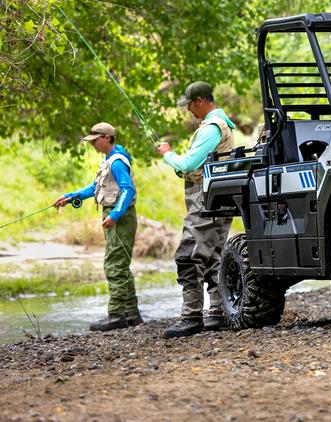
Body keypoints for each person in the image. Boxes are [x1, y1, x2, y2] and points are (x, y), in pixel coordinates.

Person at [157, 81, 235, 338]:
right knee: (214, 256)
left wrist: (168, 154)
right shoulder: (221, 124)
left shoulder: (211, 128)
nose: (188, 109)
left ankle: (191, 317)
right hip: (218, 198)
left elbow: (190, 162)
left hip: (205, 200)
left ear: (200, 101)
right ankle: (217, 313)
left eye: (189, 104)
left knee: (188, 256)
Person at [54, 122, 141, 331]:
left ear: (107, 138)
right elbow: (95, 188)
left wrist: (115, 214)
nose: (93, 144)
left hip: (120, 218)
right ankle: (131, 315)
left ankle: (116, 316)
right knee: (120, 264)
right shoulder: (109, 160)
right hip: (116, 216)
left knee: (114, 265)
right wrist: (70, 197)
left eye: (95, 140)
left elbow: (127, 190)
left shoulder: (118, 162)